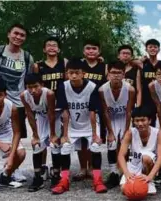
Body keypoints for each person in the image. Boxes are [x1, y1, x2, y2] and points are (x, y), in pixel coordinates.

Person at [0, 23, 34, 182]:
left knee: (16, 137)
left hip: (17, 103)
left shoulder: (27, 57)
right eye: (16, 33)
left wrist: (27, 103)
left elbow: (29, 82)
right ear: (8, 34)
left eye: (22, 35)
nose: (18, 37)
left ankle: (12, 169)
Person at [51, 58, 107, 194]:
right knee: (65, 147)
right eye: (71, 73)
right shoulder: (63, 86)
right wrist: (64, 135)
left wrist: (94, 135)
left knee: (95, 146)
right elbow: (65, 112)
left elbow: (92, 111)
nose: (74, 76)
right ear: (67, 74)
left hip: (89, 124)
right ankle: (64, 181)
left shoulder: (92, 87)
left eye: (77, 73)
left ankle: (98, 180)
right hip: (72, 125)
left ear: (84, 74)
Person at [32, 36, 66, 188]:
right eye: (49, 45)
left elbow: (66, 84)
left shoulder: (64, 63)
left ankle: (56, 172)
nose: (52, 47)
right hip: (42, 109)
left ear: (58, 49)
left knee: (55, 143)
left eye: (54, 45)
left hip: (58, 109)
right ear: (44, 49)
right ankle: (38, 174)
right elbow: (35, 85)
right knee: (38, 143)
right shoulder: (37, 66)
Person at [135, 39, 161, 183]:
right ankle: (146, 167)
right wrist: (138, 105)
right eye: (150, 47)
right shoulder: (142, 65)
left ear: (159, 49)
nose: (153, 49)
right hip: (146, 105)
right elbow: (139, 88)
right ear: (146, 49)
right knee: (148, 138)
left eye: (155, 47)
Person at [73, 40, 107, 181]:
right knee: (81, 140)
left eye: (94, 48)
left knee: (94, 139)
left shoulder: (104, 66)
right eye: (88, 48)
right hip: (79, 105)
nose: (91, 51)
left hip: (97, 106)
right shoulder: (79, 65)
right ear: (83, 51)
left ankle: (93, 167)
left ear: (99, 51)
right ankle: (83, 168)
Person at [99, 61, 136, 189]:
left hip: (124, 118)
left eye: (119, 73)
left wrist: (126, 130)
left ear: (123, 74)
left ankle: (125, 171)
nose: (116, 75)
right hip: (111, 119)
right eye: (113, 72)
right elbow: (105, 112)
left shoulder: (130, 89)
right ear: (108, 74)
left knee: (125, 143)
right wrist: (110, 132)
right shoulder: (102, 89)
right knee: (112, 143)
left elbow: (129, 111)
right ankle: (113, 173)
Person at [20, 74, 57, 192]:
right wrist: (35, 135)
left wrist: (52, 134)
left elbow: (52, 114)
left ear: (42, 85)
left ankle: (56, 175)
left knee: (54, 144)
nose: (33, 90)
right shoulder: (24, 95)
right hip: (40, 118)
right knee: (36, 144)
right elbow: (30, 115)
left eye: (36, 86)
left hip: (54, 119)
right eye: (29, 87)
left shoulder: (49, 94)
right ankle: (38, 178)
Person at [117, 107, 161, 195]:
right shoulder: (130, 133)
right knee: (127, 190)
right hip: (133, 166)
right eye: (137, 120)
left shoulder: (158, 133)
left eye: (143, 120)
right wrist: (127, 173)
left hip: (148, 166)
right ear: (133, 121)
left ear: (149, 120)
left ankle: (148, 181)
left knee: (146, 157)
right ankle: (136, 182)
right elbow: (121, 155)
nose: (140, 123)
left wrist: (150, 176)